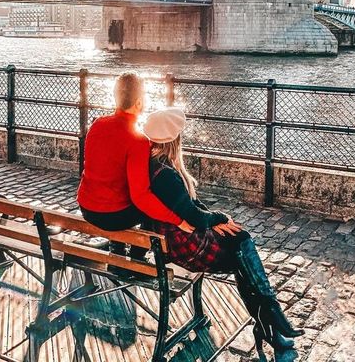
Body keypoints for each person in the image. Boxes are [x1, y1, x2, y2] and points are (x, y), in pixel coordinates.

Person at [142, 107, 305, 356]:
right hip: (185, 248)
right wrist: (221, 217)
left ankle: (271, 324)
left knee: (241, 250)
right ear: (174, 140)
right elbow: (193, 216)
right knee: (243, 247)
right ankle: (271, 320)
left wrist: (214, 219)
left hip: (171, 243)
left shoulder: (152, 166)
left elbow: (188, 206)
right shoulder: (166, 176)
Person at [77, 73, 192, 253]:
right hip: (111, 217)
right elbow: (141, 197)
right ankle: (138, 257)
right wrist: (178, 220)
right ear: (138, 103)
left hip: (86, 207)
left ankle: (117, 249)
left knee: (122, 197)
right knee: (154, 200)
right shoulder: (138, 141)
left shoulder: (97, 124)